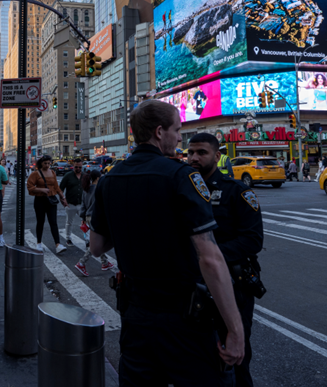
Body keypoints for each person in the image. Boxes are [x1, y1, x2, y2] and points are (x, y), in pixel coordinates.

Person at [88, 99, 245, 385]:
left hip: (135, 316)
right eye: (176, 129)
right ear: (159, 132)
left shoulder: (110, 179)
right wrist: (235, 329)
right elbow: (209, 257)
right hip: (183, 319)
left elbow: (96, 246)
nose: (179, 137)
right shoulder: (181, 176)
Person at [188, 133, 264, 387]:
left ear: (217, 156)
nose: (194, 158)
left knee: (235, 357)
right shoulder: (184, 190)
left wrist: (208, 253)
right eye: (191, 153)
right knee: (197, 356)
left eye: (202, 153)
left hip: (233, 285)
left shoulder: (237, 192)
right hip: (194, 286)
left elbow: (253, 240)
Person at [74, 169, 114, 277]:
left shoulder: (86, 189)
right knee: (97, 242)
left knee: (97, 239)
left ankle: (105, 263)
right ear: (97, 178)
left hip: (87, 216)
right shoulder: (99, 189)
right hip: (97, 217)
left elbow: (83, 205)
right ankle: (82, 262)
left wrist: (83, 217)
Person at [27, 156, 67, 254]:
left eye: (49, 163)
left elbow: (56, 187)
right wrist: (41, 189)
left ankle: (58, 244)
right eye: (45, 163)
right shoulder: (35, 174)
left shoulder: (52, 172)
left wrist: (63, 198)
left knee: (53, 222)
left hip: (52, 200)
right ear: (41, 163)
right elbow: (30, 187)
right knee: (40, 222)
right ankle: (39, 243)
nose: (47, 165)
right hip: (40, 199)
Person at [60, 158, 86, 246]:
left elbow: (88, 189)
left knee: (85, 222)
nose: (78, 169)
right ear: (73, 166)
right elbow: (61, 188)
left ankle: (87, 240)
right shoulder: (68, 176)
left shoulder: (84, 176)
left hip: (82, 204)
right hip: (70, 203)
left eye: (80, 167)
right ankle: (68, 238)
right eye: (76, 167)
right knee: (69, 222)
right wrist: (63, 199)